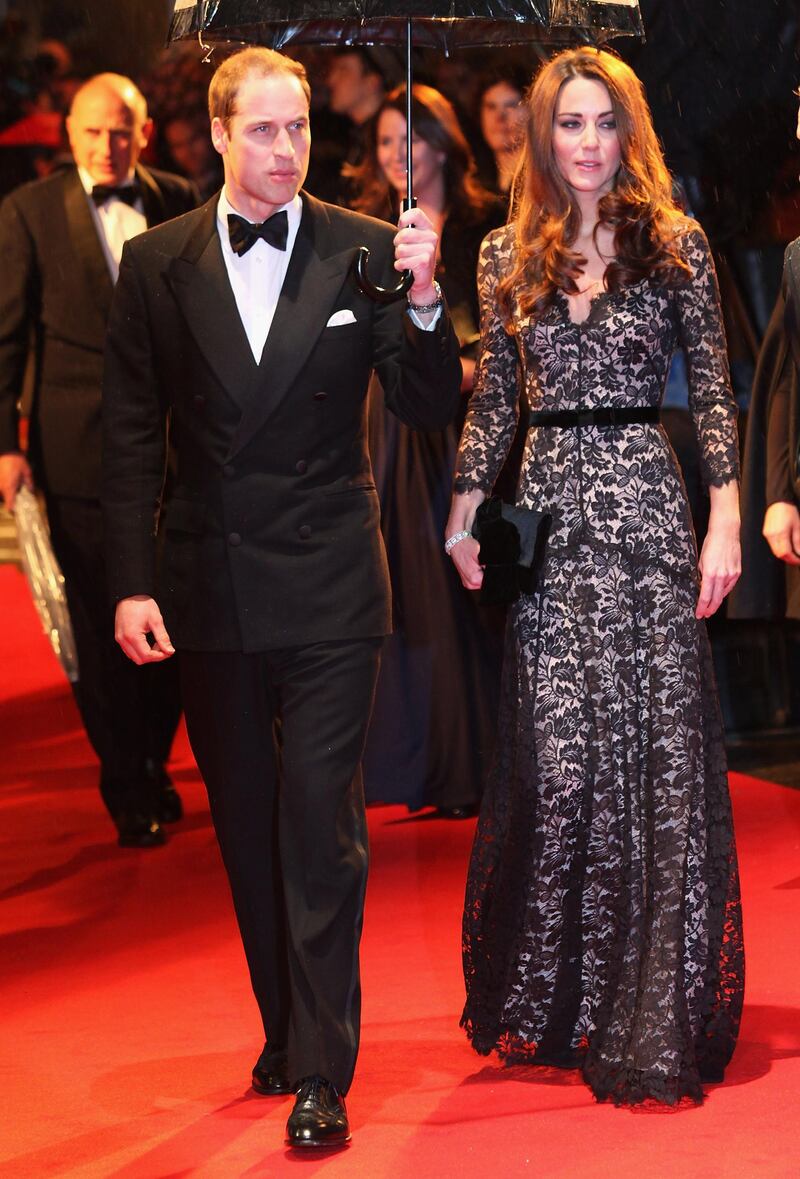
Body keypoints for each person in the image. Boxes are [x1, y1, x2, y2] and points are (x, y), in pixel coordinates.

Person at [102, 47, 461, 1148]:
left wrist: (427, 296)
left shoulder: (365, 248)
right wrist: (128, 582)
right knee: (250, 830)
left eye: (298, 127)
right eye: (262, 130)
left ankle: (321, 1066)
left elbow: (425, 401)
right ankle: (282, 1023)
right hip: (210, 585)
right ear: (215, 135)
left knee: (321, 824)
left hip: (330, 585)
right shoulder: (157, 264)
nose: (285, 149)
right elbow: (124, 432)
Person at [445, 47, 744, 1106]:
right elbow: (491, 405)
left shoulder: (673, 246)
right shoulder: (499, 256)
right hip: (548, 528)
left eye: (600, 123)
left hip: (650, 520)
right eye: (566, 123)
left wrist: (724, 514)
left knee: (657, 770)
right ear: (538, 133)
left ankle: (647, 1010)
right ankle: (564, 998)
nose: (583, 142)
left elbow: (712, 394)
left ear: (627, 134)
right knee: (564, 768)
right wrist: (464, 504)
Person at [0, 72, 197, 848]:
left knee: (174, 608)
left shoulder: (181, 195)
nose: (106, 145)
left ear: (142, 133)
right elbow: (6, 336)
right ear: (69, 135)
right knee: (97, 614)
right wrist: (6, 446)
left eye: (120, 131)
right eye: (91, 132)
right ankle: (126, 777)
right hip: (75, 444)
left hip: (178, 445)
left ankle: (152, 753)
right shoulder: (27, 211)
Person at [348, 83, 508, 815]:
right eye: (384, 141)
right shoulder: (367, 234)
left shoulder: (483, 223)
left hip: (470, 421)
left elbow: (508, 324)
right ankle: (418, 759)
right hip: (396, 424)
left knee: (471, 588)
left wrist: (466, 363)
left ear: (440, 140)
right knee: (409, 586)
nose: (396, 153)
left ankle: (483, 755)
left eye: (408, 136)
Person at [476, 66, 529, 196]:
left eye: (511, 105)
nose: (499, 117)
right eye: (491, 107)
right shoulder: (475, 181)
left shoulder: (543, 180)